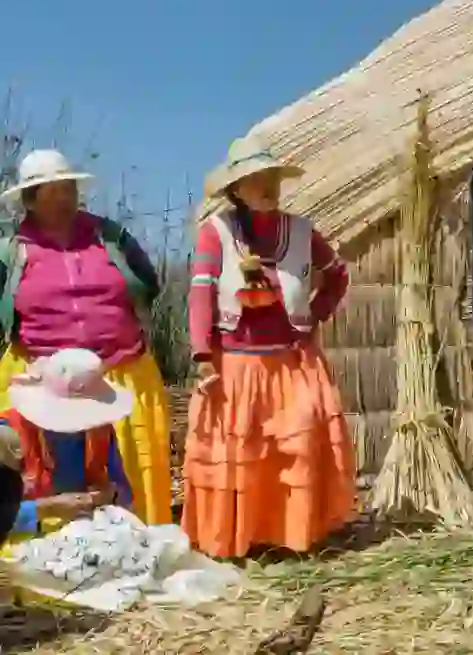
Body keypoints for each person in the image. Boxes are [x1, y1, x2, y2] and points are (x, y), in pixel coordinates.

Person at [182, 136, 355, 559]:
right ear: (236, 189)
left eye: (272, 178)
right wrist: (203, 352)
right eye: (255, 179)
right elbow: (201, 291)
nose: (266, 186)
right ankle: (239, 540)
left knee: (294, 448)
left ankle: (295, 536)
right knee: (240, 451)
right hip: (236, 365)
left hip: (293, 362)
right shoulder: (216, 233)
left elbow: (337, 275)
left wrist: (315, 315)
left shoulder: (300, 231)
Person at [0, 149, 171, 526]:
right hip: (40, 378)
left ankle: (134, 541)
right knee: (49, 470)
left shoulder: (110, 237)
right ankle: (55, 550)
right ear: (30, 199)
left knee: (126, 470)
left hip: (118, 370)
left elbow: (147, 283)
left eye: (68, 189)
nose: (63, 198)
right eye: (51, 191)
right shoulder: (12, 250)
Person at [0, 348, 134, 548]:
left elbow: (124, 492)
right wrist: (47, 508)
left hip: (82, 546)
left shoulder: (100, 431)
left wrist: (110, 494)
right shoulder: (7, 435)